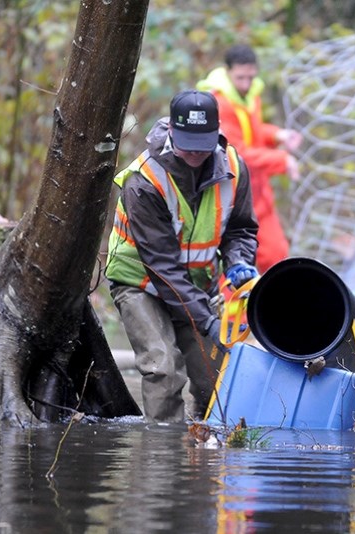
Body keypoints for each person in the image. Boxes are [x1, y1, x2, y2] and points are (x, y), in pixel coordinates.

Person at [105, 90, 259, 422]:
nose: (193, 152)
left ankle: (208, 451)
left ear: (216, 134)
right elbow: (161, 267)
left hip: (196, 285)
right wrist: (206, 321)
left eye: (202, 144)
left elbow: (241, 230)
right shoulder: (143, 183)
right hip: (141, 283)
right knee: (163, 368)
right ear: (171, 132)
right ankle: (164, 458)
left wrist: (238, 262)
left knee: (215, 374)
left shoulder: (234, 168)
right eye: (186, 141)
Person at [197, 44, 303, 274]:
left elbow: (252, 134)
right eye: (240, 77)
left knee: (276, 255)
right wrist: (282, 160)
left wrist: (277, 135)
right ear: (227, 72)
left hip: (259, 191)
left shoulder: (250, 96)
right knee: (237, 264)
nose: (246, 83)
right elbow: (237, 152)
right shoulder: (219, 103)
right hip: (234, 193)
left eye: (251, 77)